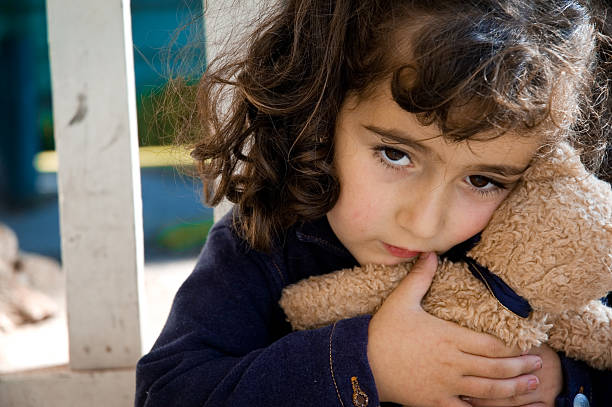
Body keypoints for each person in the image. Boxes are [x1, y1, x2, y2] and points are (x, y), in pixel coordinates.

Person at [135, 1, 612, 406]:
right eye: (396, 154)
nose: (425, 223)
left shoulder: (555, 252)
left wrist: (558, 383)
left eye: (483, 180)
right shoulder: (266, 239)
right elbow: (169, 392)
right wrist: (365, 363)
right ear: (319, 115)